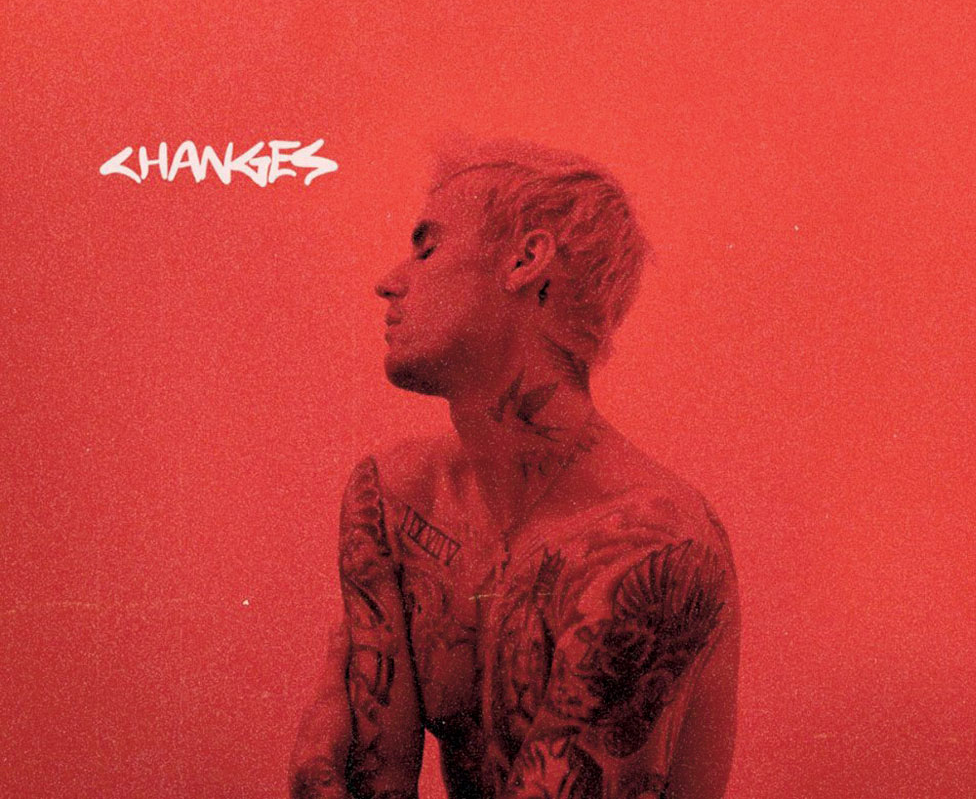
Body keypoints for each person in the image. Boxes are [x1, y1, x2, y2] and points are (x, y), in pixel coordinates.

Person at [288, 140, 739, 799]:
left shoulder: (650, 546)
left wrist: (315, 768)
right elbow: (375, 782)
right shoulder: (393, 500)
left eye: (427, 248)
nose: (389, 280)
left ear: (526, 261)